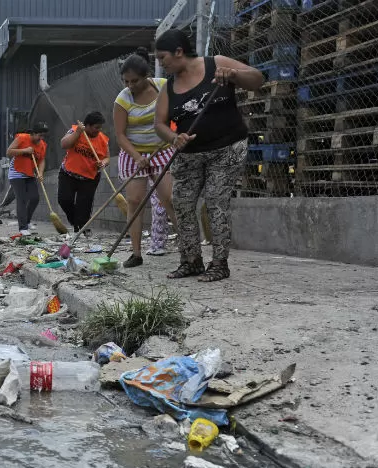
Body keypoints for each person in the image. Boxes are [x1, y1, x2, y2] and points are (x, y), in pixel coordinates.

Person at [154, 29, 262, 282]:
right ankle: (191, 261)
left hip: (226, 150)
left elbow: (257, 79)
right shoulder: (168, 88)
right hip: (189, 155)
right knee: (181, 203)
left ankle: (220, 263)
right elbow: (159, 123)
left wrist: (234, 74)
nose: (161, 63)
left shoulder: (217, 64)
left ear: (179, 52)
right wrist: (173, 138)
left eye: (162, 57)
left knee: (215, 202)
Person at [114, 47, 179, 267]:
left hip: (161, 150)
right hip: (133, 154)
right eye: (126, 82)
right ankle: (136, 253)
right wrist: (137, 156)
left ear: (146, 76)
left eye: (135, 81)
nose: (130, 86)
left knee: (169, 199)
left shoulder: (162, 86)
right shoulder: (122, 100)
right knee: (134, 201)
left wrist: (172, 136)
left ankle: (188, 248)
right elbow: (120, 136)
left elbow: (175, 111)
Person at [58, 112, 110, 235]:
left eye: (100, 127)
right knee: (64, 200)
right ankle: (75, 222)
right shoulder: (75, 130)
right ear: (87, 125)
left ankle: (82, 227)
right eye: (96, 127)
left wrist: (103, 162)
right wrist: (78, 133)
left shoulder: (103, 139)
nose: (99, 130)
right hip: (68, 174)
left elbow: (107, 157)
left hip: (89, 178)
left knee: (84, 205)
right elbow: (64, 144)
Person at [6, 122, 48, 235]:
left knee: (35, 198)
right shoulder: (22, 138)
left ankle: (27, 221)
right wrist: (24, 151)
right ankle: (23, 228)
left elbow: (42, 160)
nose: (41, 138)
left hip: (29, 173)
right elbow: (9, 152)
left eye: (43, 136)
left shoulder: (42, 145)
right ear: (33, 133)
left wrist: (40, 173)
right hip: (16, 173)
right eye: (39, 135)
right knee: (22, 199)